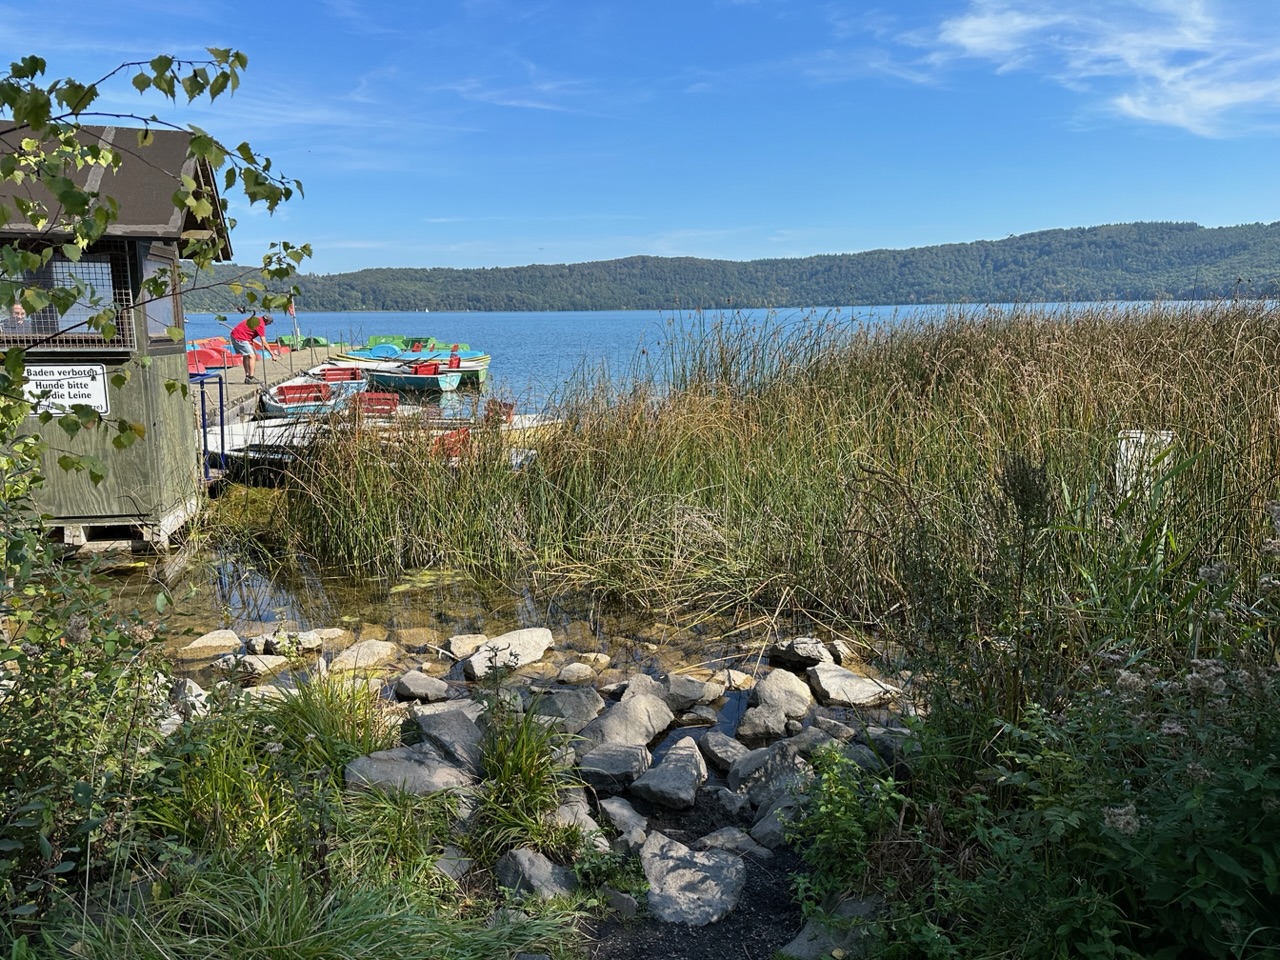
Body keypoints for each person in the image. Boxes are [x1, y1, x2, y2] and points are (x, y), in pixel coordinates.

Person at [230, 313, 274, 383]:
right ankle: (251, 377)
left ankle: (247, 377)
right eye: (270, 323)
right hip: (240, 337)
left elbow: (247, 331)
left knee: (246, 355)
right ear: (267, 321)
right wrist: (272, 354)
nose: (269, 324)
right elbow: (264, 342)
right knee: (252, 356)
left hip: (235, 335)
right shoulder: (261, 324)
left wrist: (250, 342)